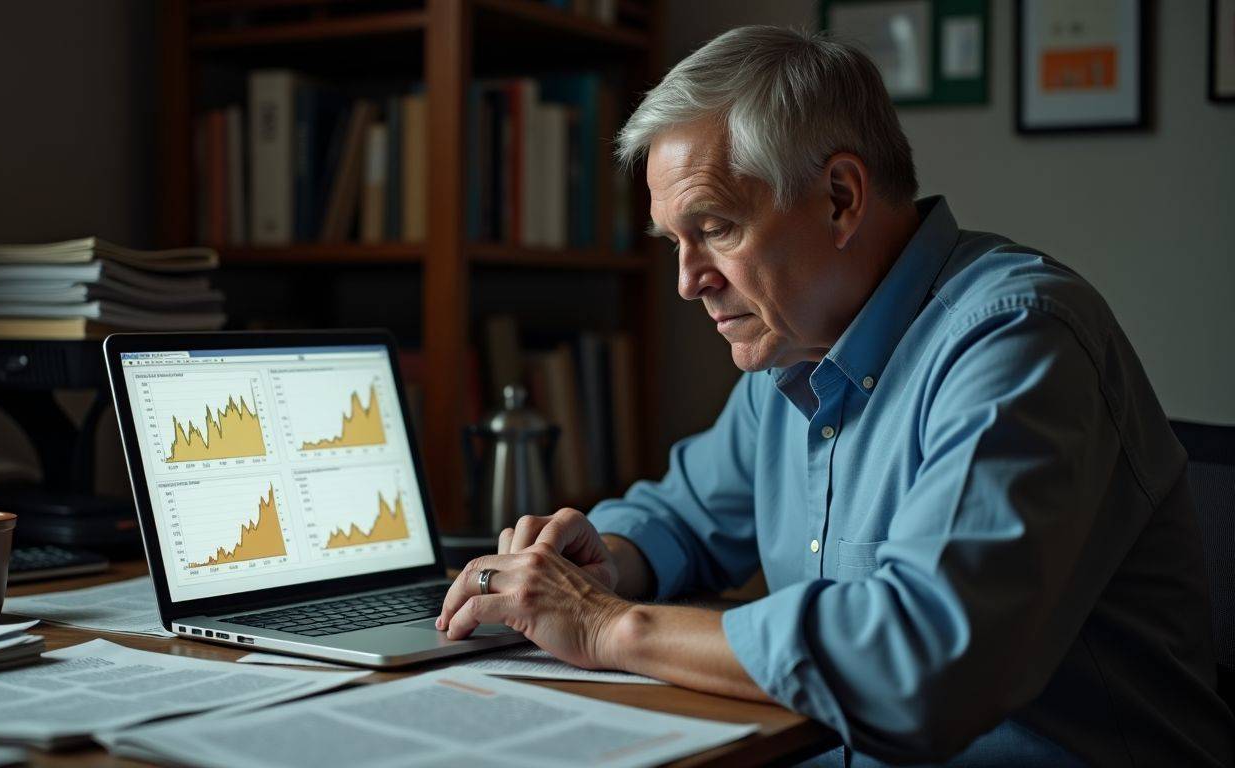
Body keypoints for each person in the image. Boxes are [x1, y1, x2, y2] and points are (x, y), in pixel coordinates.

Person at [436, 26, 1234, 766]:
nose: (687, 282)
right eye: (673, 243)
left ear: (841, 199)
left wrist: (610, 625)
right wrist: (608, 560)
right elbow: (685, 516)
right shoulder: (793, 352)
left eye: (713, 228)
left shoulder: (1019, 341)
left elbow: (919, 663)